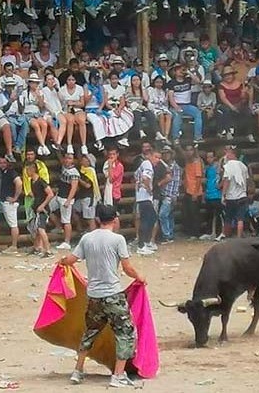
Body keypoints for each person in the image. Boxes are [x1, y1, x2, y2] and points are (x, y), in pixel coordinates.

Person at [60, 204, 145, 389]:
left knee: (90, 332)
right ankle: (118, 376)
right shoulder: (118, 240)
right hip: (112, 294)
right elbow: (127, 268)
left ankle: (78, 370)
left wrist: (61, 262)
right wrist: (140, 278)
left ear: (97, 220)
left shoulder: (87, 238)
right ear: (115, 219)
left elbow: (71, 260)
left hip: (93, 296)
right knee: (125, 333)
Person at [50, 153, 80, 250]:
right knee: (48, 209)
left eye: (69, 158)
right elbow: (60, 157)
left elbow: (74, 188)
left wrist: (68, 200)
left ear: (73, 160)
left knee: (66, 220)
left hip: (66, 198)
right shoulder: (64, 167)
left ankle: (67, 242)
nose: (67, 160)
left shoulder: (74, 173)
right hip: (59, 195)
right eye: (66, 158)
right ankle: (58, 227)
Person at [221, 145, 250, 239]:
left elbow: (227, 180)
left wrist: (223, 194)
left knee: (228, 218)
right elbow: (247, 179)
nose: (226, 155)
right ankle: (238, 237)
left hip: (231, 196)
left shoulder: (228, 165)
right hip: (242, 195)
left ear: (233, 154)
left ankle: (226, 236)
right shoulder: (243, 166)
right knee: (240, 218)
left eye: (228, 153)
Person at [26, 162, 54, 257]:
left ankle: (48, 251)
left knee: (41, 229)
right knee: (37, 229)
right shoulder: (31, 181)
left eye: (28, 169)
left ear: (33, 169)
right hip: (36, 208)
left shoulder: (41, 181)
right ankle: (37, 247)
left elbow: (50, 194)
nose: (26, 172)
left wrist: (42, 205)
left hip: (43, 209)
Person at [136, 149, 160, 255]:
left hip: (141, 197)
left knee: (148, 219)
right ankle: (142, 244)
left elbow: (137, 176)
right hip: (145, 197)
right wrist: (150, 190)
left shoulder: (142, 164)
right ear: (150, 155)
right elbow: (145, 177)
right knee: (149, 219)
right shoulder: (147, 164)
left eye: (159, 158)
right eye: (156, 157)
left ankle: (144, 243)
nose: (158, 160)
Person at [0, 155, 23, 252]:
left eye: (4, 163)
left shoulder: (11, 172)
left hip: (10, 203)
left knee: (13, 224)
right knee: (12, 223)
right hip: (4, 201)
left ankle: (14, 246)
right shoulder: (3, 172)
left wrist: (15, 197)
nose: (2, 165)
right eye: (1, 163)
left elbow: (19, 183)